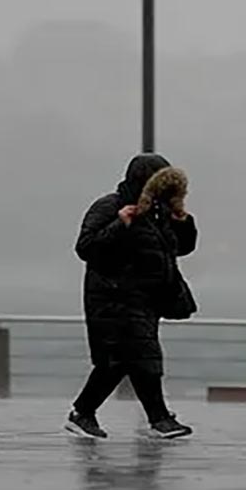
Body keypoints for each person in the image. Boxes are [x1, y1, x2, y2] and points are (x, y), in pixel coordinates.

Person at [65, 153, 197, 439]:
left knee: (124, 361)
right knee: (136, 359)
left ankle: (84, 413)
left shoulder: (158, 212)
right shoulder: (110, 206)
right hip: (112, 298)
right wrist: (119, 224)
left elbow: (180, 248)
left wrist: (183, 222)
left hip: (146, 299)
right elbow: (86, 248)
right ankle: (157, 419)